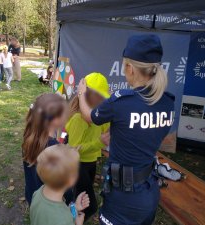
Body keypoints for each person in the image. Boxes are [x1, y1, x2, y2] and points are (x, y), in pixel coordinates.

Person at [77, 35, 175, 225]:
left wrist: (81, 94)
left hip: (123, 198)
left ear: (129, 68)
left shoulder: (122, 102)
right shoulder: (167, 102)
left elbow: (90, 116)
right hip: (149, 190)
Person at [66, 72, 110, 221]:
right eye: (100, 96)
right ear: (88, 95)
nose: (103, 99)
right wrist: (99, 142)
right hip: (79, 165)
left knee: (83, 199)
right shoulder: (78, 119)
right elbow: (73, 151)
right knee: (87, 204)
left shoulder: (98, 115)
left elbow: (106, 127)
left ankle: (74, 218)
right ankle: (70, 220)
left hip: (91, 162)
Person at [22, 93, 69, 205]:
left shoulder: (30, 137)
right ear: (55, 119)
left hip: (33, 196)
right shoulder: (55, 149)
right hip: (51, 205)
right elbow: (63, 188)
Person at [30, 144, 90, 225]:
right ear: (71, 180)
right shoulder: (64, 220)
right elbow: (60, 217)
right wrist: (78, 223)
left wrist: (75, 208)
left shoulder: (38, 193)